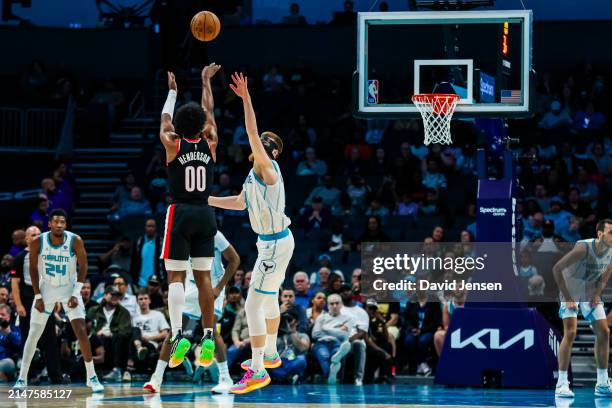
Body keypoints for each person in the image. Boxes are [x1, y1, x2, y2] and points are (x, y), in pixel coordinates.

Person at [208, 72, 295, 394]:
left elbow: (251, 131)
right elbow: (240, 202)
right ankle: (270, 352)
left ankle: (257, 369)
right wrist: (207, 200)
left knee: (252, 306)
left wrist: (246, 98)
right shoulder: (254, 174)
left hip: (274, 245)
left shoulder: (269, 169)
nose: (259, 146)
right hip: (273, 243)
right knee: (268, 298)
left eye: (265, 145)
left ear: (271, 153)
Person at [160, 65, 220, 369]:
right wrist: (205, 81)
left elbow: (165, 119)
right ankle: (209, 336)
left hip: (180, 211)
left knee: (176, 277)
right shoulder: (210, 141)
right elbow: (208, 112)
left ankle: (178, 334)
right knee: (204, 277)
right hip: (206, 212)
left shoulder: (172, 142)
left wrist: (172, 92)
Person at [13, 209, 104, 392]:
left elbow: (84, 266)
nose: (60, 225)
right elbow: (32, 269)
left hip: (69, 287)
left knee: (81, 330)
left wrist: (75, 293)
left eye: (63, 222)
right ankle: (22, 378)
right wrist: (38, 296)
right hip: (46, 289)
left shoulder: (75, 240)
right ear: (49, 224)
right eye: (56, 222)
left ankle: (92, 377)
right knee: (33, 333)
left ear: (66, 224)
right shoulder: (39, 241)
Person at [144, 230, 240, 394]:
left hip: (213, 283)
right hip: (190, 284)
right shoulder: (179, 237)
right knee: (175, 330)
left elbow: (234, 260)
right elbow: (174, 271)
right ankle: (156, 378)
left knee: (210, 328)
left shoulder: (214, 235)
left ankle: (225, 378)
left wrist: (219, 287)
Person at [553, 219, 612, 398]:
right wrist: (569, 298)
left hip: (588, 291)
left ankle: (602, 383)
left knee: (604, 332)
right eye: (611, 232)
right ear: (599, 233)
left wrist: (596, 294)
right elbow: (557, 269)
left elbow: (607, 273)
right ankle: (561, 384)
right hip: (568, 290)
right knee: (570, 332)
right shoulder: (583, 249)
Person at [9, 226, 64, 383]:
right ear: (27, 238)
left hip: (46, 301)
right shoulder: (20, 257)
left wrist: (58, 299)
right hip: (27, 302)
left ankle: (56, 376)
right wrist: (18, 305)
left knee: (50, 340)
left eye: (40, 234)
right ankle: (28, 376)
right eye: (33, 235)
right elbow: (14, 283)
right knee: (29, 339)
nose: (37, 237)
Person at [91, 286, 132, 382]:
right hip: (97, 340)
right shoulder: (94, 310)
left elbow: (125, 329)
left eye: (117, 295)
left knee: (120, 337)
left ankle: (116, 370)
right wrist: (96, 333)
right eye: (112, 294)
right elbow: (87, 326)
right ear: (105, 296)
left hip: (114, 339)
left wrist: (110, 332)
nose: (115, 297)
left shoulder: (124, 312)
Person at [312, 294, 354, 384]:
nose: (334, 306)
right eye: (331, 304)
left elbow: (343, 335)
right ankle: (331, 374)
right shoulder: (321, 317)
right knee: (324, 356)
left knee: (336, 353)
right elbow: (315, 334)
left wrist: (325, 328)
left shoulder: (348, 319)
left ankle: (330, 377)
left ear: (341, 304)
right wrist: (336, 329)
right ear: (328, 305)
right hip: (321, 343)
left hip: (337, 343)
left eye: (337, 303)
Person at [339, 283, 368, 386]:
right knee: (340, 345)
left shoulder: (361, 312)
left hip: (354, 340)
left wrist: (349, 340)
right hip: (339, 340)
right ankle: (338, 378)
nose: (345, 292)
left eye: (347, 290)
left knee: (358, 344)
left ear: (352, 292)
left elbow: (362, 332)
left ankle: (358, 378)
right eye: (342, 291)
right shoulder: (337, 309)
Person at [130, 218, 162, 287]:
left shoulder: (161, 243)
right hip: (140, 283)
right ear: (145, 227)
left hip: (158, 284)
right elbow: (133, 263)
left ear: (156, 228)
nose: (150, 228)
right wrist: (134, 279)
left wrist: (162, 281)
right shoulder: (138, 242)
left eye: (152, 226)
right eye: (148, 226)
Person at [0, 304, 20, 381]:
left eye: (3, 315)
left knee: (9, 363)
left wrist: (9, 333)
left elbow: (20, 344)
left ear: (9, 316)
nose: (0, 317)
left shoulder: (14, 328)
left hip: (5, 362)